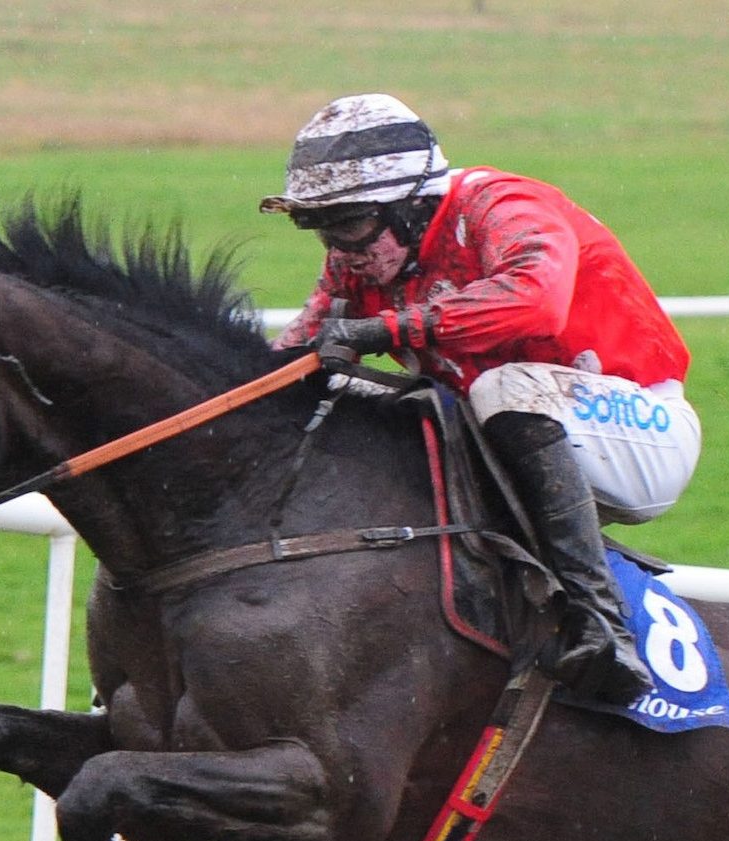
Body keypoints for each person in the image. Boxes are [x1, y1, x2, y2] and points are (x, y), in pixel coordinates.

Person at [263, 93, 701, 706]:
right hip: (511, 432)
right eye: (322, 229)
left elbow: (534, 300)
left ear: (414, 205)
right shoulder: (356, 261)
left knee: (502, 386)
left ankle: (600, 621)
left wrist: (387, 330)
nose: (341, 250)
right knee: (347, 393)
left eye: (353, 224)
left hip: (638, 430)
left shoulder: (500, 206)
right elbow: (287, 364)